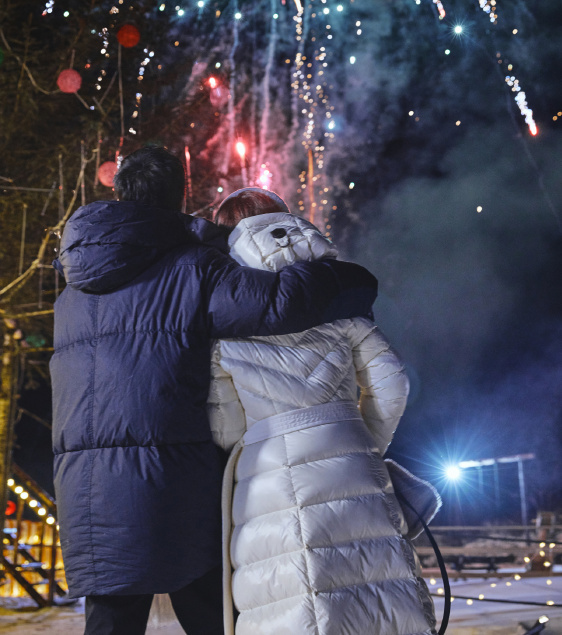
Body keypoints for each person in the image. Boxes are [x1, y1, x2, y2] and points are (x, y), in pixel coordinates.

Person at [50, 146, 379, 635]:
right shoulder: (192, 266)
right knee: (212, 615)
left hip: (85, 490)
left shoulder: (71, 292)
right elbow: (277, 303)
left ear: (118, 191)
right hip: (170, 481)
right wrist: (348, 277)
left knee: (111, 621)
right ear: (179, 194)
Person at [209, 187, 436, 635]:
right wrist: (357, 442)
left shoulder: (223, 320)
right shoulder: (340, 300)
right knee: (378, 596)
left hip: (266, 476)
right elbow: (393, 385)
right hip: (350, 459)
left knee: (293, 599)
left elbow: (224, 425)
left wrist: (254, 445)